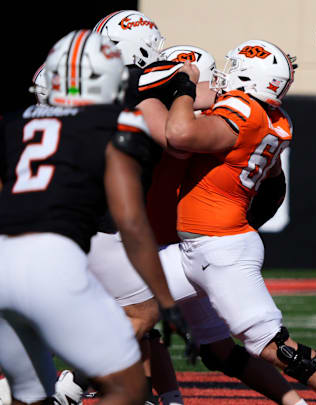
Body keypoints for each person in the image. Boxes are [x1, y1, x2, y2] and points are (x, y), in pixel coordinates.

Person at [164, 40, 316, 405]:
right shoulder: (276, 120)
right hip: (196, 247)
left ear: (248, 78)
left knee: (276, 348)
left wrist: (180, 88)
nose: (224, 76)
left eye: (233, 67)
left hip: (218, 250)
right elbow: (274, 187)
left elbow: (180, 134)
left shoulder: (241, 110)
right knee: (127, 305)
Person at [0, 29, 186, 405]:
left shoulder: (17, 121)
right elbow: (131, 223)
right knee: (128, 388)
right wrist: (166, 302)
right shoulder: (116, 124)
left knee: (31, 395)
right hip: (53, 262)